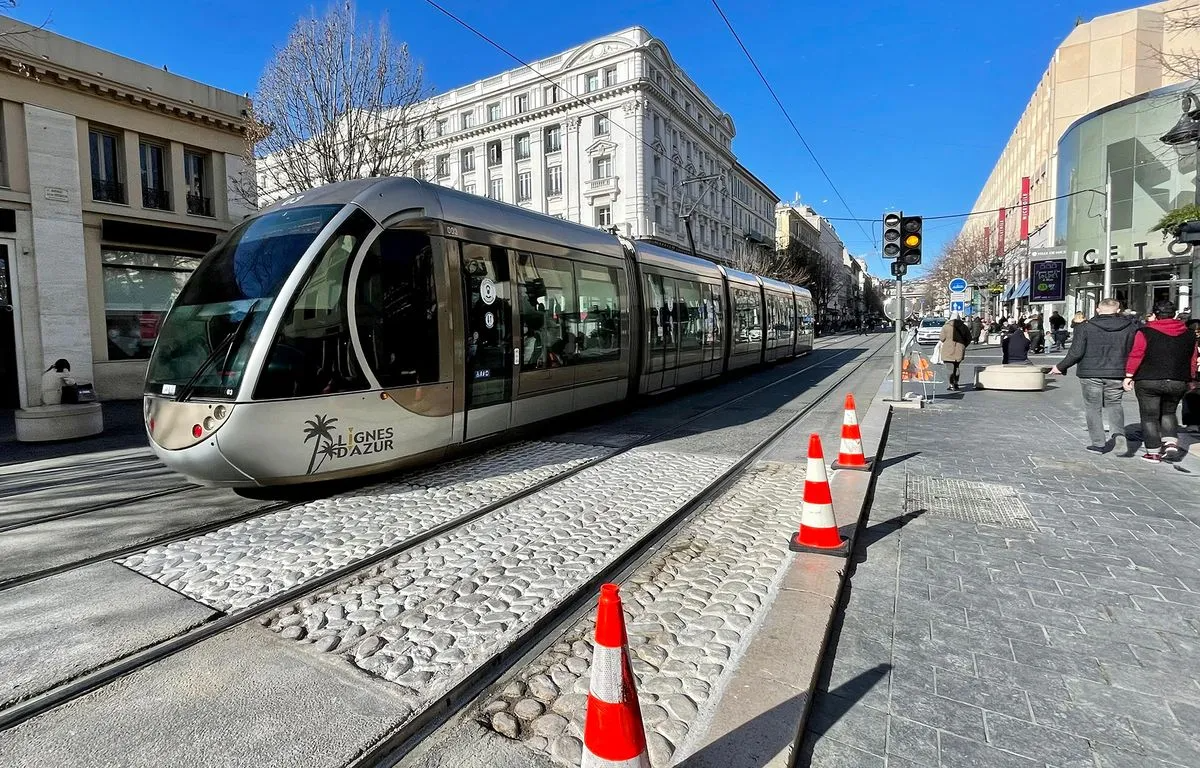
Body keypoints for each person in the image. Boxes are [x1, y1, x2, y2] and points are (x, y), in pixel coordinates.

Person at [1049, 299, 1137, 454]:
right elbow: (1134, 351)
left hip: (1090, 373)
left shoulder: (1085, 327)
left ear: (1097, 310)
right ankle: (1118, 435)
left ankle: (1098, 444)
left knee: (1092, 408)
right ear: (1117, 311)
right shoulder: (1130, 327)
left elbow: (1076, 352)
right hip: (1117, 373)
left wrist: (1060, 367)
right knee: (1115, 404)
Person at [1123, 299, 1200, 463]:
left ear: (1156, 315)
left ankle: (1153, 452)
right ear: (1174, 314)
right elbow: (1192, 359)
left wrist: (1129, 376)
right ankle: (1171, 443)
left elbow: (1137, 354)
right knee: (1169, 412)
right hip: (1177, 379)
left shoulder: (1145, 332)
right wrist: (1192, 378)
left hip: (1148, 379)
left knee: (1149, 416)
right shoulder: (1189, 334)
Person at [938, 313, 971, 391]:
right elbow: (969, 338)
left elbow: (942, 338)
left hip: (948, 350)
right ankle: (956, 383)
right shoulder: (964, 327)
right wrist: (963, 346)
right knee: (956, 367)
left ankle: (951, 384)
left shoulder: (946, 327)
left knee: (949, 368)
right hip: (959, 350)